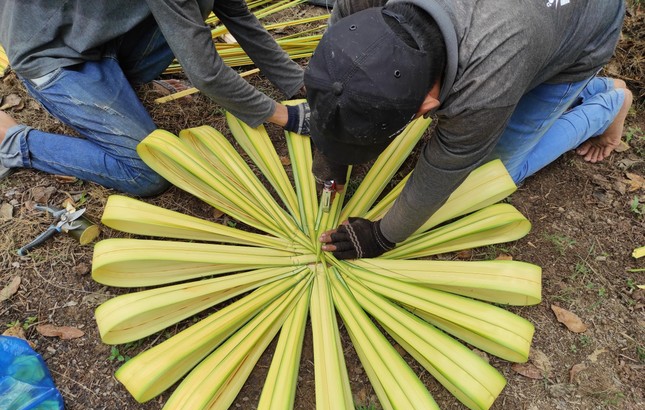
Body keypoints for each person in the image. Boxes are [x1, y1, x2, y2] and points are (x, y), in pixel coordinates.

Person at [305, 0, 632, 259]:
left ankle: (608, 102)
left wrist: (381, 236)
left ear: (426, 107)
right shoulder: (358, 5)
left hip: (584, 26)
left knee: (493, 172)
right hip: (524, 31)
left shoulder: (486, 87)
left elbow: (446, 167)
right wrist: (331, 157)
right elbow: (341, 71)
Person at [0, 0, 310, 196]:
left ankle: (117, 80)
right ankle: (15, 141)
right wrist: (289, 117)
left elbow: (237, 14)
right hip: (51, 52)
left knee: (195, 7)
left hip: (93, 33)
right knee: (147, 173)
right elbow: (207, 75)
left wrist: (301, 85)